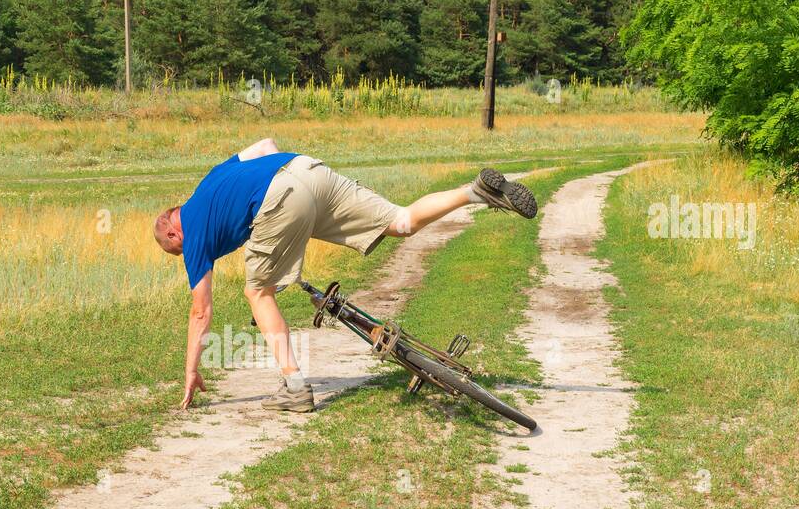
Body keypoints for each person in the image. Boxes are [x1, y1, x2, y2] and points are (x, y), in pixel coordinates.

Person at [153, 138, 538, 411]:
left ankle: (295, 388)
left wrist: (190, 370)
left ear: (173, 230)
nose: (185, 253)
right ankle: (475, 193)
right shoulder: (212, 180)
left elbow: (200, 311)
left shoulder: (194, 229)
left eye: (178, 249)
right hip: (307, 169)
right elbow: (266, 146)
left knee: (258, 294)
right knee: (401, 221)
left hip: (281, 195)